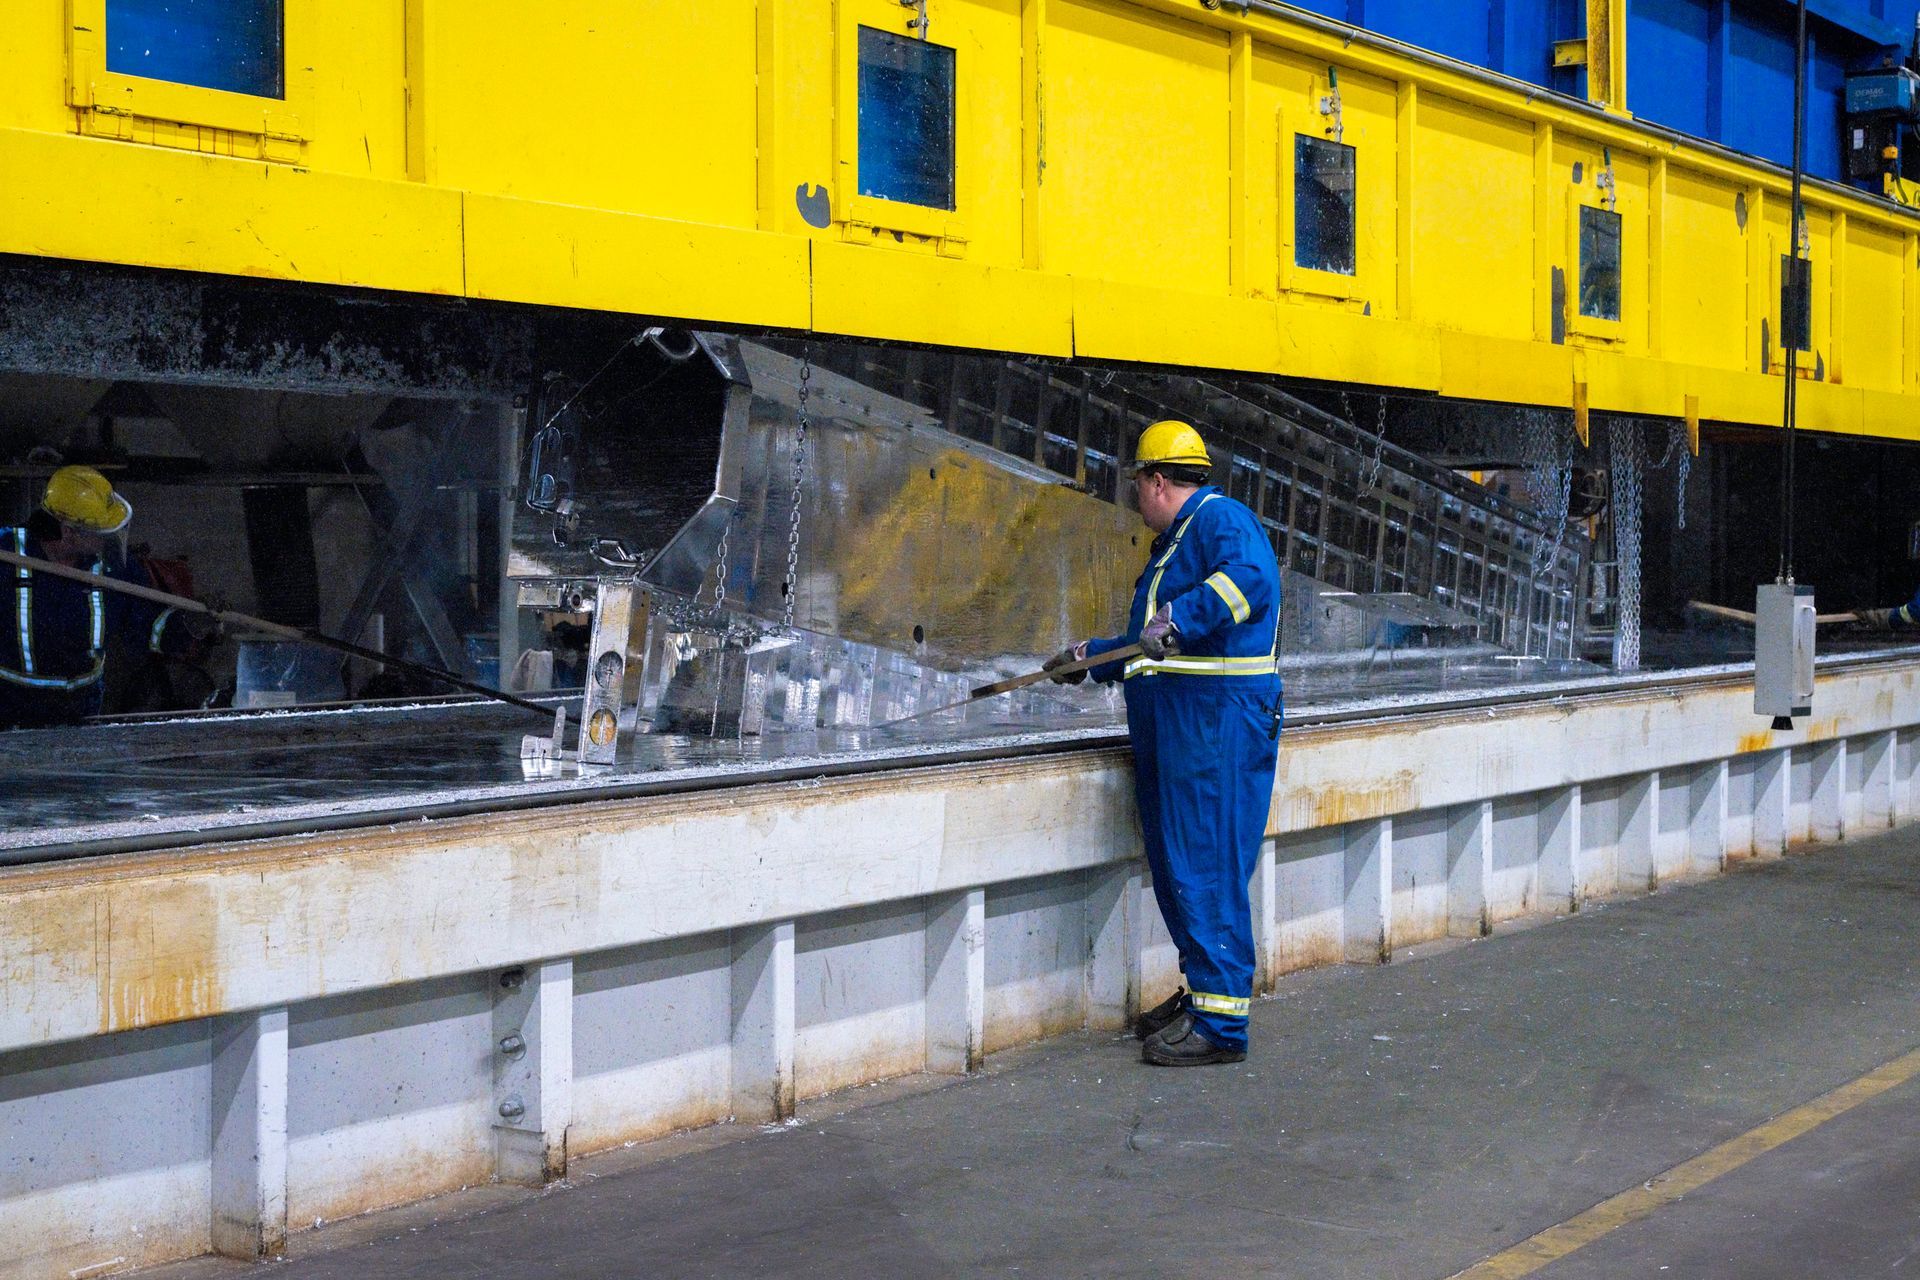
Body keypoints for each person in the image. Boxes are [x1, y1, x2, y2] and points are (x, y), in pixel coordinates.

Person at [1047, 420, 1283, 1066]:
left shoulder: (1218, 520)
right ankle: (1206, 994)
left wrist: (1182, 618)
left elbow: (1249, 583)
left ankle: (1222, 1024)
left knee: (1207, 866)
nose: (1135, 499)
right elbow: (1149, 651)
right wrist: (1090, 659)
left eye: (1137, 486)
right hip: (1185, 731)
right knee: (1185, 866)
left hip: (1215, 730)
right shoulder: (1178, 544)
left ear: (1156, 481)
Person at [0, 466, 196, 729]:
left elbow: (148, 627)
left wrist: (191, 624)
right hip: (9, 717)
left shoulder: (112, 571)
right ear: (68, 531)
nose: (108, 540)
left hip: (82, 717)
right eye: (100, 532)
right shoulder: (6, 555)